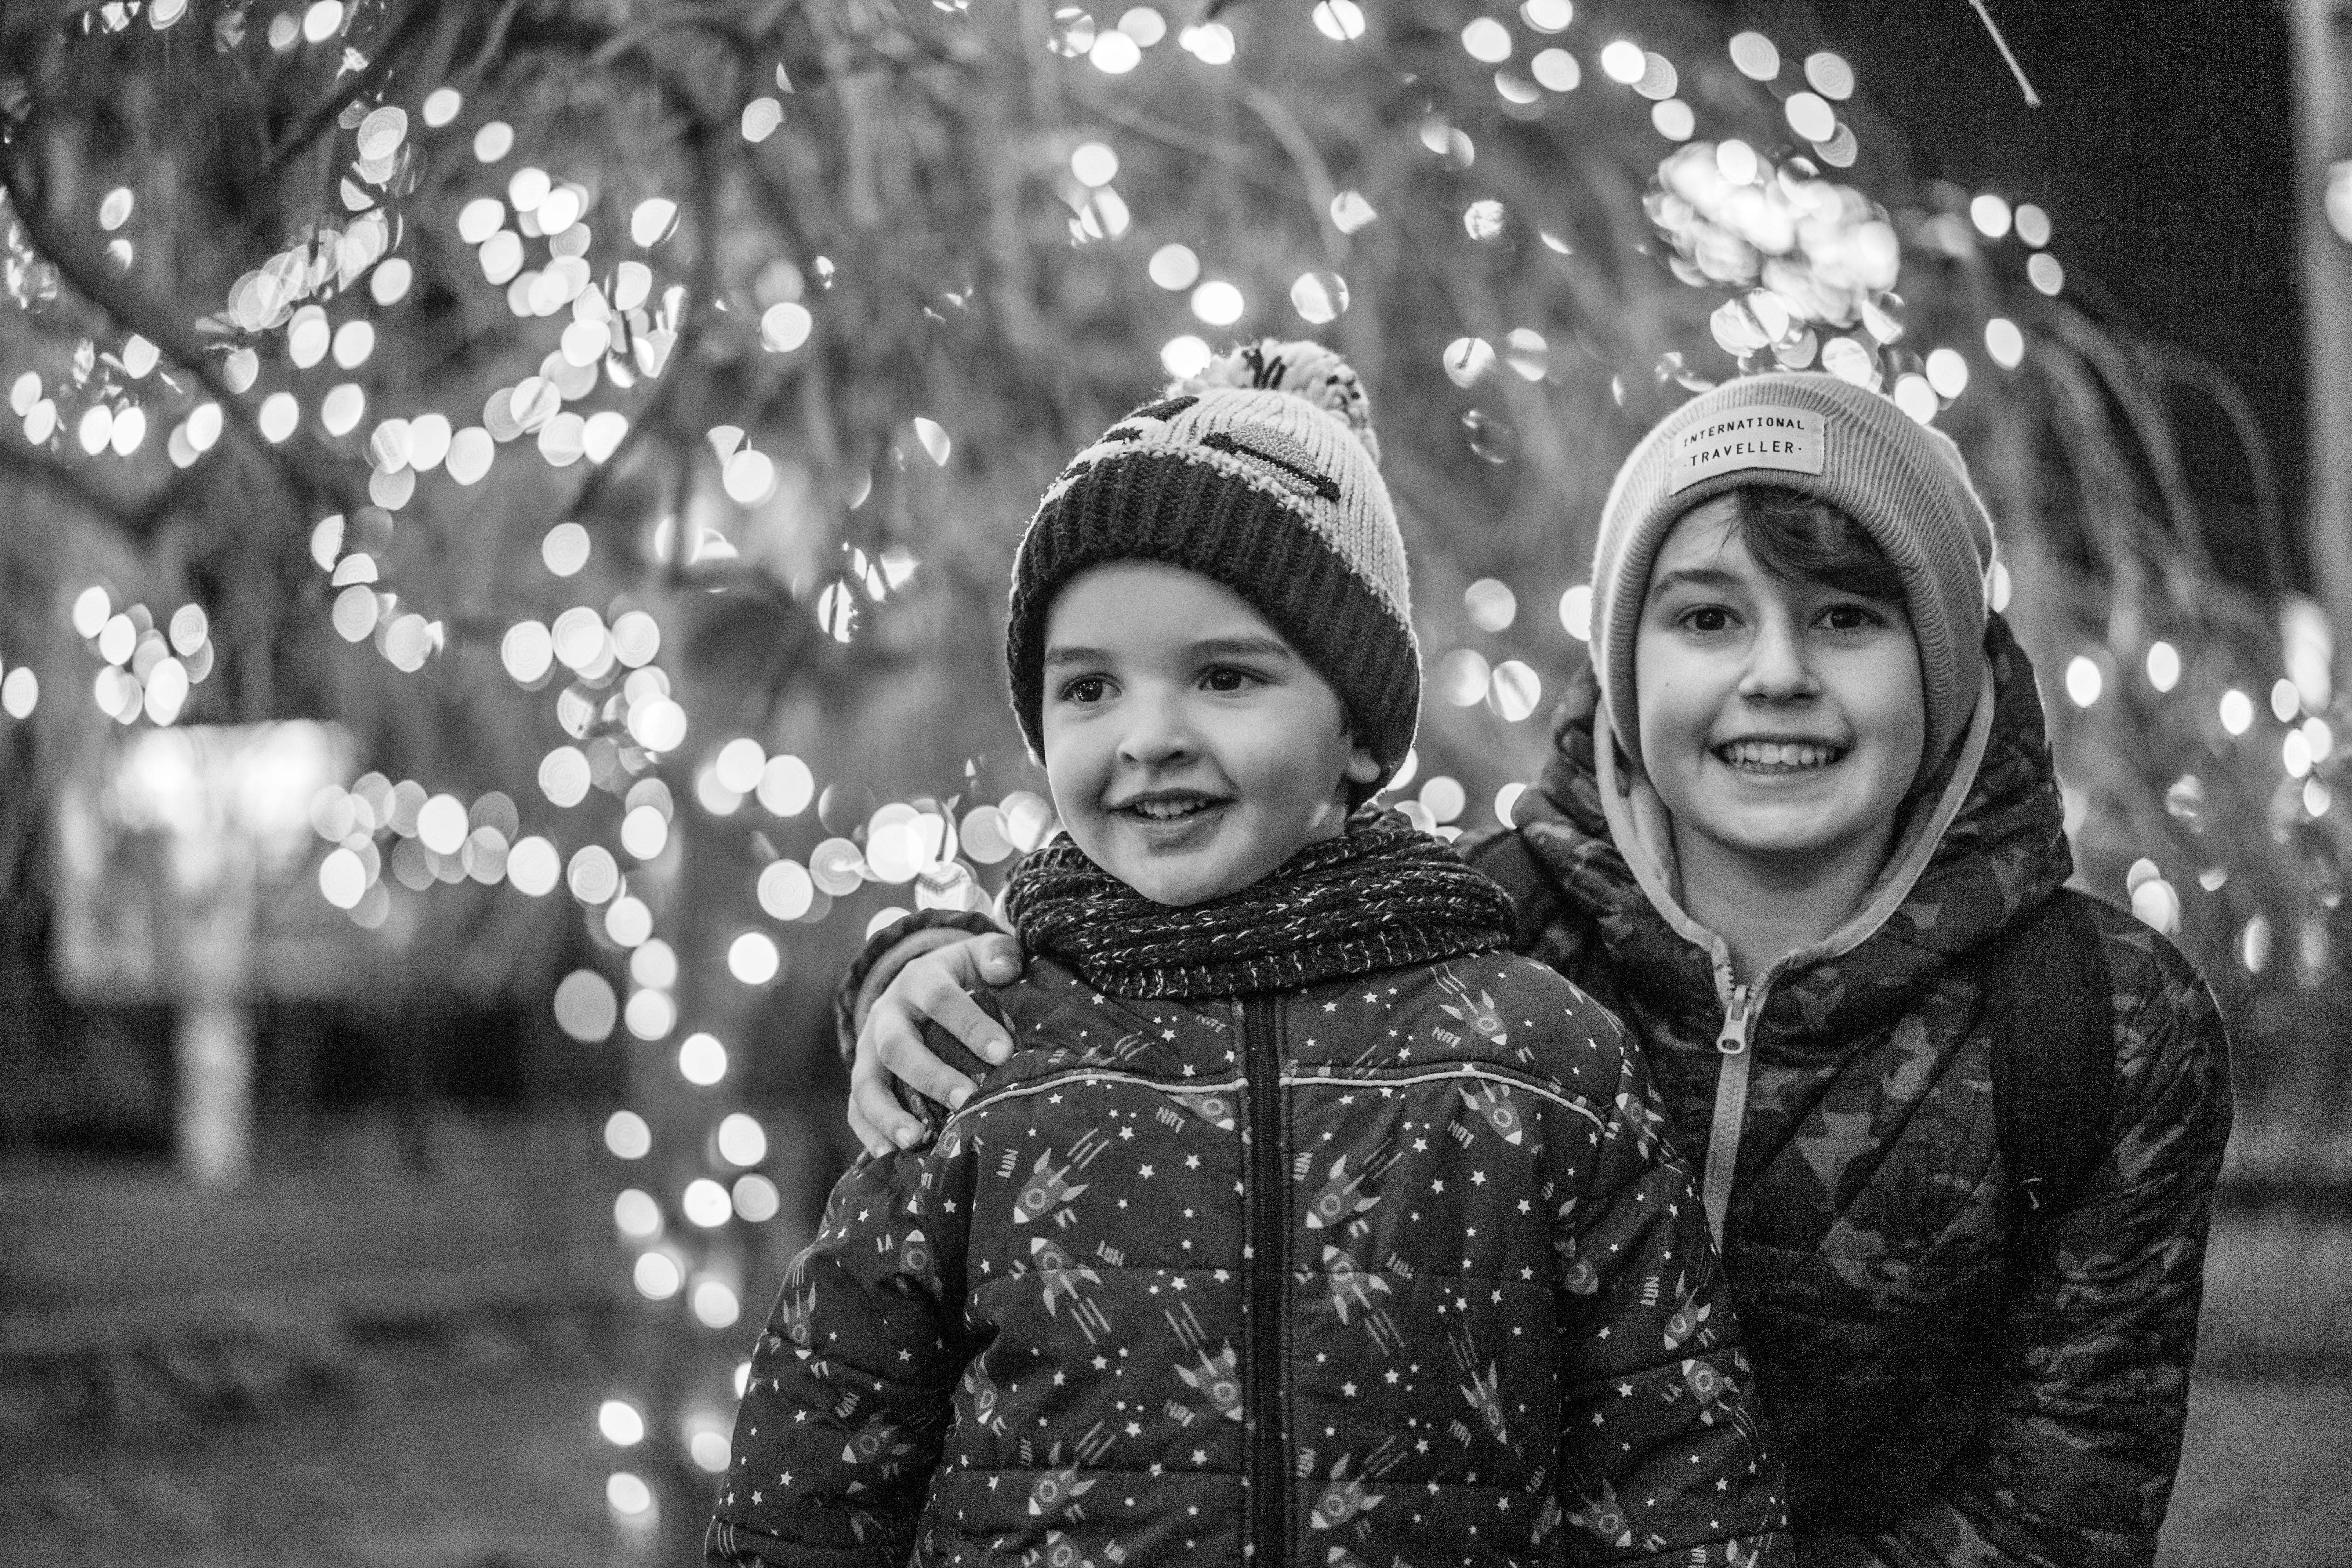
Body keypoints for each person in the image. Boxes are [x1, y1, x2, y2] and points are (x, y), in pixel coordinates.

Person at [841, 370, 2234, 1568]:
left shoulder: (2098, 1023)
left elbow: (2063, 1504)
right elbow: (1177, 938)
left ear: (1942, 658)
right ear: (1625, 662)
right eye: (1705, 619)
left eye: (1847, 620)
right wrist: (923, 962)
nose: (1776, 677)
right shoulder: (1467, 938)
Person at [710, 342, 1793, 1567]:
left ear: (1361, 738)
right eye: (1089, 690)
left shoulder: (1535, 1058)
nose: (1149, 738)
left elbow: (1675, 1469)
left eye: (1226, 677)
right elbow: (820, 1455)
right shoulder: (990, 1049)